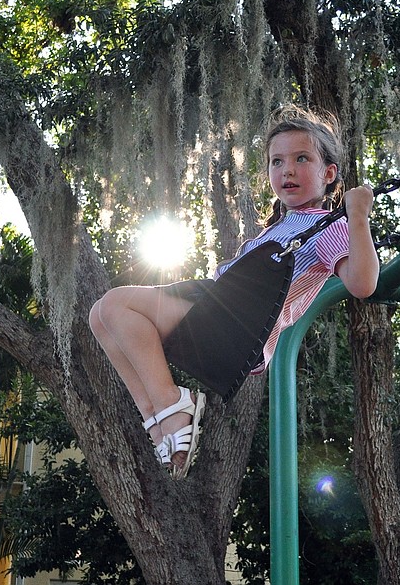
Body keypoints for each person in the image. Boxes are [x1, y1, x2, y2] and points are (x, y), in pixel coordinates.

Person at [89, 106, 380, 479]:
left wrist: (357, 215)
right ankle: (160, 421)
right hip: (219, 311)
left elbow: (363, 283)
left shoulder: (326, 227)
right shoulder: (275, 229)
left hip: (237, 329)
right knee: (102, 316)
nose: (287, 169)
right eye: (277, 162)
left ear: (329, 174)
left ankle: (175, 405)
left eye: (301, 158)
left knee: (116, 304)